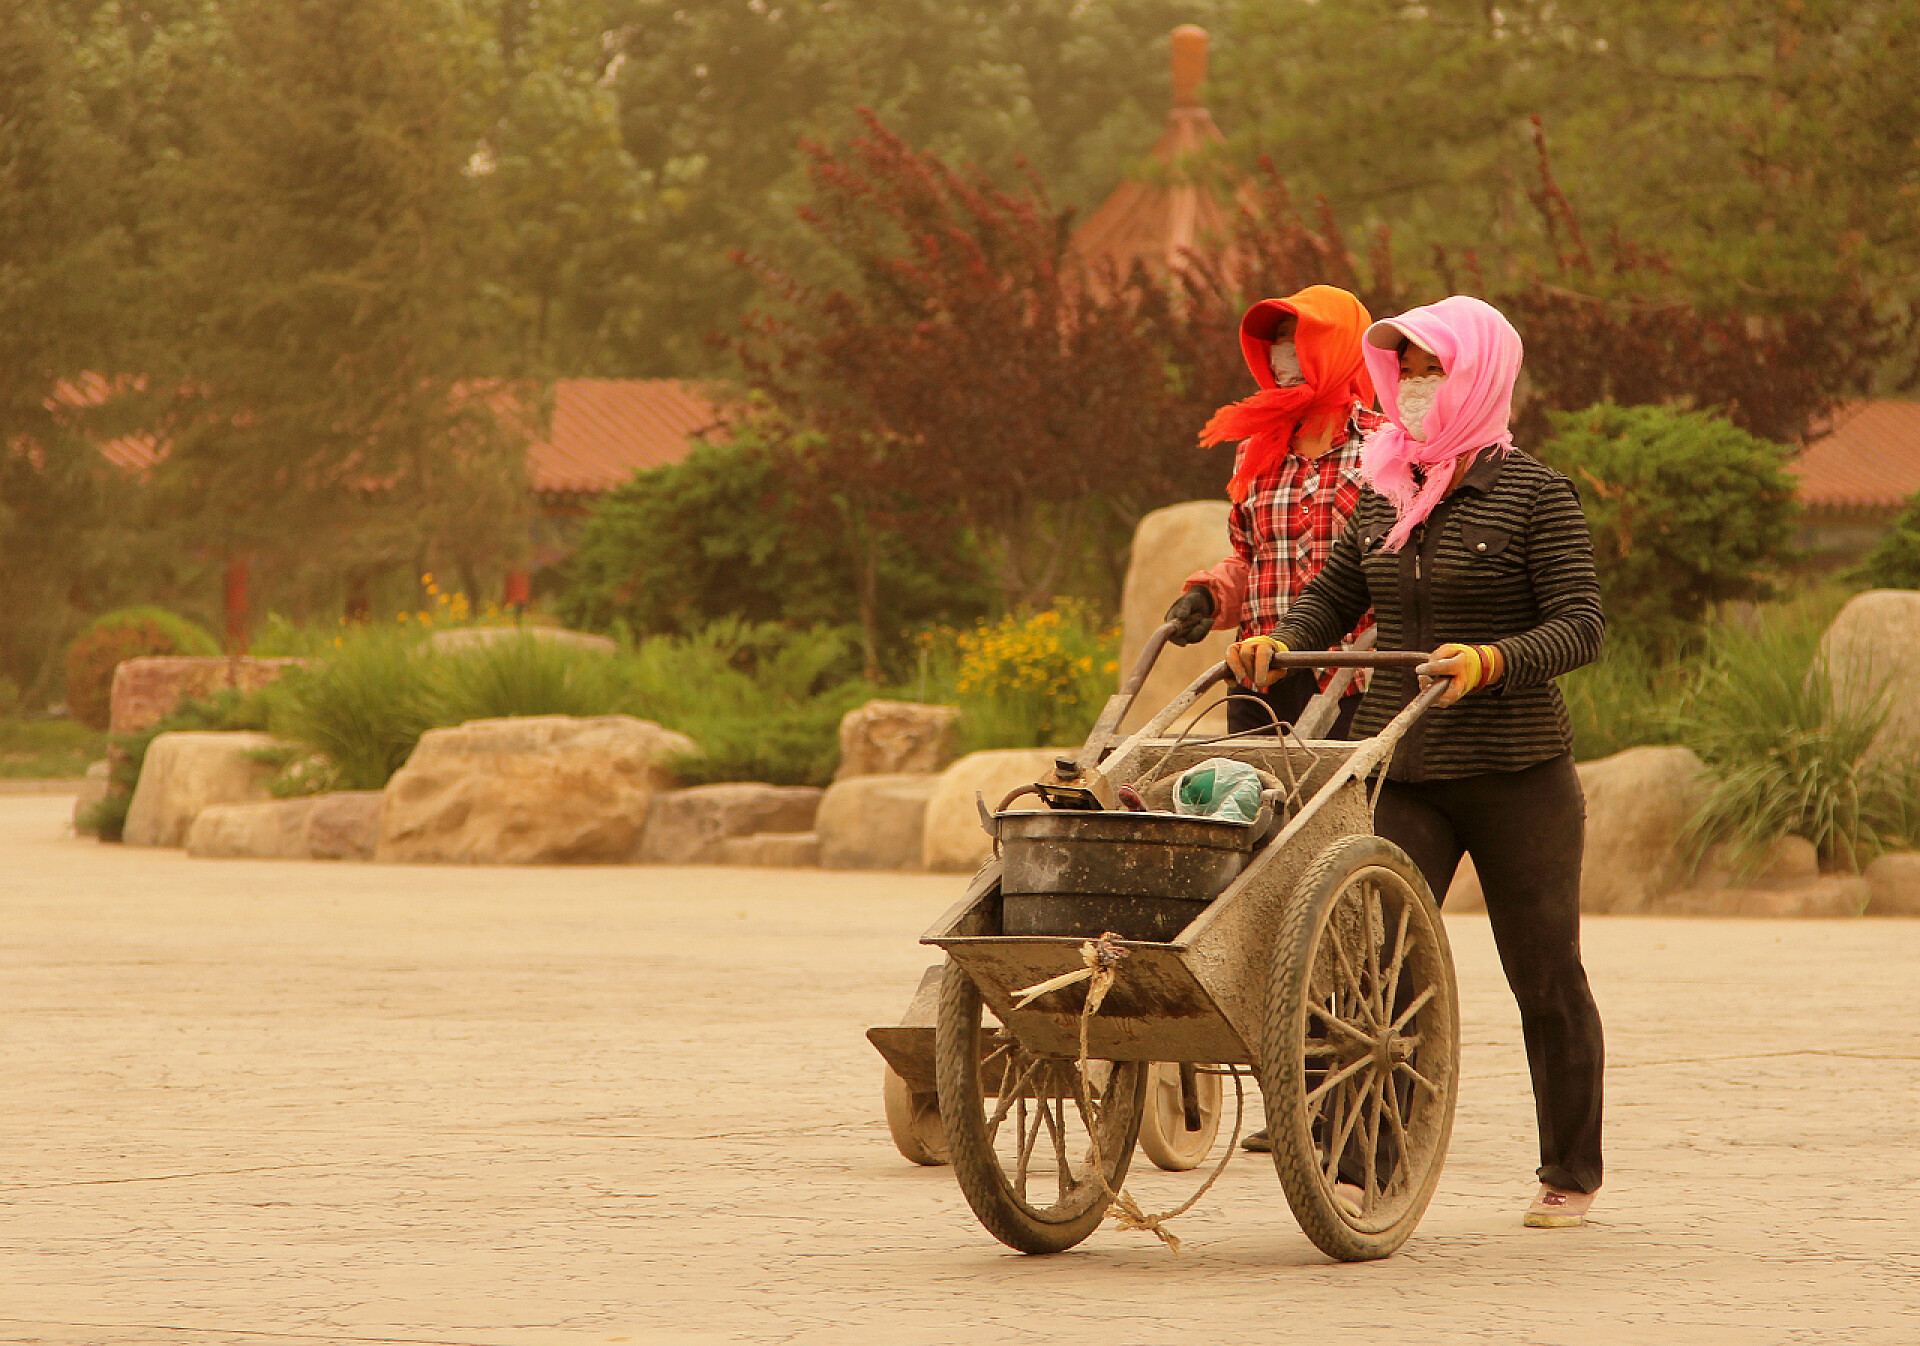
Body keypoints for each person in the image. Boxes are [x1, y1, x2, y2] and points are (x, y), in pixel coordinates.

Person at [1228, 295, 1608, 1229]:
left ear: (1479, 372)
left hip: (1517, 767)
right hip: (1406, 762)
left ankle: (1570, 1169)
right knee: (1365, 961)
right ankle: (1363, 1165)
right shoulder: (1385, 484)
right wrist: (1281, 643)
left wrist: (1495, 659)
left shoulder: (1535, 494)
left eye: (1434, 368)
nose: (1419, 388)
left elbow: (1582, 625)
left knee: (1544, 972)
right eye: (1406, 370)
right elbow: (1333, 593)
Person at [1163, 284, 1382, 740]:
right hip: (1260, 674)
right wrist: (1211, 597)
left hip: (1351, 677)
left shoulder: (1387, 449)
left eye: (1299, 337)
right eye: (1279, 339)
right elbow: (1250, 556)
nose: (1285, 352)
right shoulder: (1256, 449)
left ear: (1339, 345)